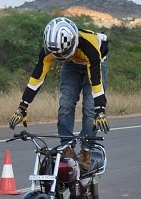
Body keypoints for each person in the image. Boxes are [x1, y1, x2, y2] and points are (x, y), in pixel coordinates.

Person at [9, 17, 109, 169]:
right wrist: (22, 107)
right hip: (71, 65)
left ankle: (86, 151)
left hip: (95, 64)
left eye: (64, 54)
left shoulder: (90, 47)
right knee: (65, 103)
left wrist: (100, 110)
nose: (61, 57)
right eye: (58, 56)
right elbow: (36, 79)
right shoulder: (50, 50)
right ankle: (67, 148)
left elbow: (96, 83)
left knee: (90, 108)